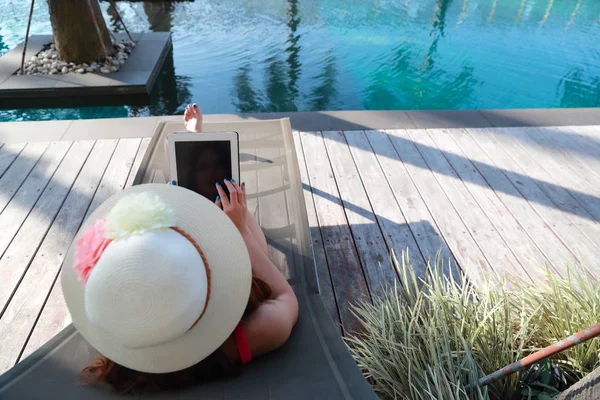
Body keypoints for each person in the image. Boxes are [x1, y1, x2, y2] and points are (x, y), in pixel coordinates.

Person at [60, 106, 298, 395]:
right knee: (241, 227)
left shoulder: (119, 333)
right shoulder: (239, 340)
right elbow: (285, 297)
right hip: (236, 273)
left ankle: (188, 160)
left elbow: (143, 270)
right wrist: (240, 230)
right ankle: (199, 184)